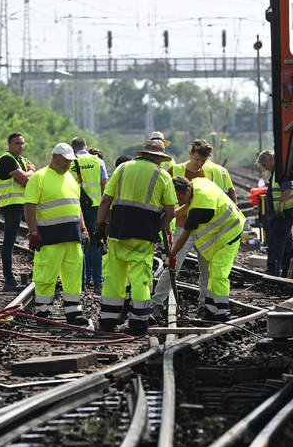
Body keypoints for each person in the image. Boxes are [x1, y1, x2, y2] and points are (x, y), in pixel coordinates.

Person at [94, 140, 176, 335]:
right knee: (140, 281)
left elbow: (106, 199)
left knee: (114, 279)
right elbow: (171, 213)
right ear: (158, 157)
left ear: (143, 154)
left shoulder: (122, 169)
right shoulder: (163, 177)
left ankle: (107, 323)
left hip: (118, 232)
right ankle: (138, 324)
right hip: (143, 237)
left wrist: (100, 226)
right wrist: (155, 228)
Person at [150, 139, 216, 319]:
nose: (200, 164)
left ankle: (204, 305)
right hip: (182, 225)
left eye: (203, 161)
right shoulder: (176, 170)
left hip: (203, 228)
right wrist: (169, 214)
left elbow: (200, 201)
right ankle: (156, 304)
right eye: (197, 160)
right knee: (173, 267)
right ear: (190, 154)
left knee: (206, 269)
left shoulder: (208, 172)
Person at [25, 143, 90, 326]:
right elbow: (29, 206)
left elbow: (77, 205)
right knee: (46, 276)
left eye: (70, 161)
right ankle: (43, 314)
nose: (68, 164)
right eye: (66, 161)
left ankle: (73, 312)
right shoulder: (39, 177)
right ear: (55, 157)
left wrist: (83, 229)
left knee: (73, 274)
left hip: (72, 237)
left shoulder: (70, 177)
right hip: (49, 238)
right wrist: (33, 232)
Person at [168, 176, 244, 322]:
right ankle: (210, 311)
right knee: (212, 272)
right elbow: (187, 204)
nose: (179, 201)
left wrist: (172, 255)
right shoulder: (197, 183)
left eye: (181, 197)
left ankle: (223, 312)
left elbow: (184, 236)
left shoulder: (199, 206)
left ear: (188, 190)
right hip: (222, 231)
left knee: (219, 274)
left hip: (230, 233)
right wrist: (171, 214)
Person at [0, 132, 35, 291]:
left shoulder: (22, 161)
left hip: (25, 204)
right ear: (9, 145)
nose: (21, 146)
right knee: (9, 242)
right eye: (17, 143)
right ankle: (9, 280)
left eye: (23, 143)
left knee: (39, 232)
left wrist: (28, 173)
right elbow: (25, 180)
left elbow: (29, 181)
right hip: (12, 205)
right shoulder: (6, 159)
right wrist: (30, 171)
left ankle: (40, 272)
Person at [256, 150, 293, 277]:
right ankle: (287, 270)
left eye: (265, 165)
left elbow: (288, 188)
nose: (265, 168)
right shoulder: (282, 169)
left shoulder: (281, 171)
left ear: (271, 159)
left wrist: (280, 206)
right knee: (286, 240)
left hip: (284, 212)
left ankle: (273, 270)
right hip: (288, 211)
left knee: (277, 240)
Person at [69, 137, 107, 293]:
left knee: (80, 244)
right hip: (96, 207)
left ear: (73, 149)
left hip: (75, 207)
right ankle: (98, 282)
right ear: (85, 147)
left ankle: (82, 282)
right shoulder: (98, 161)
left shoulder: (70, 161)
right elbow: (105, 186)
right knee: (97, 244)